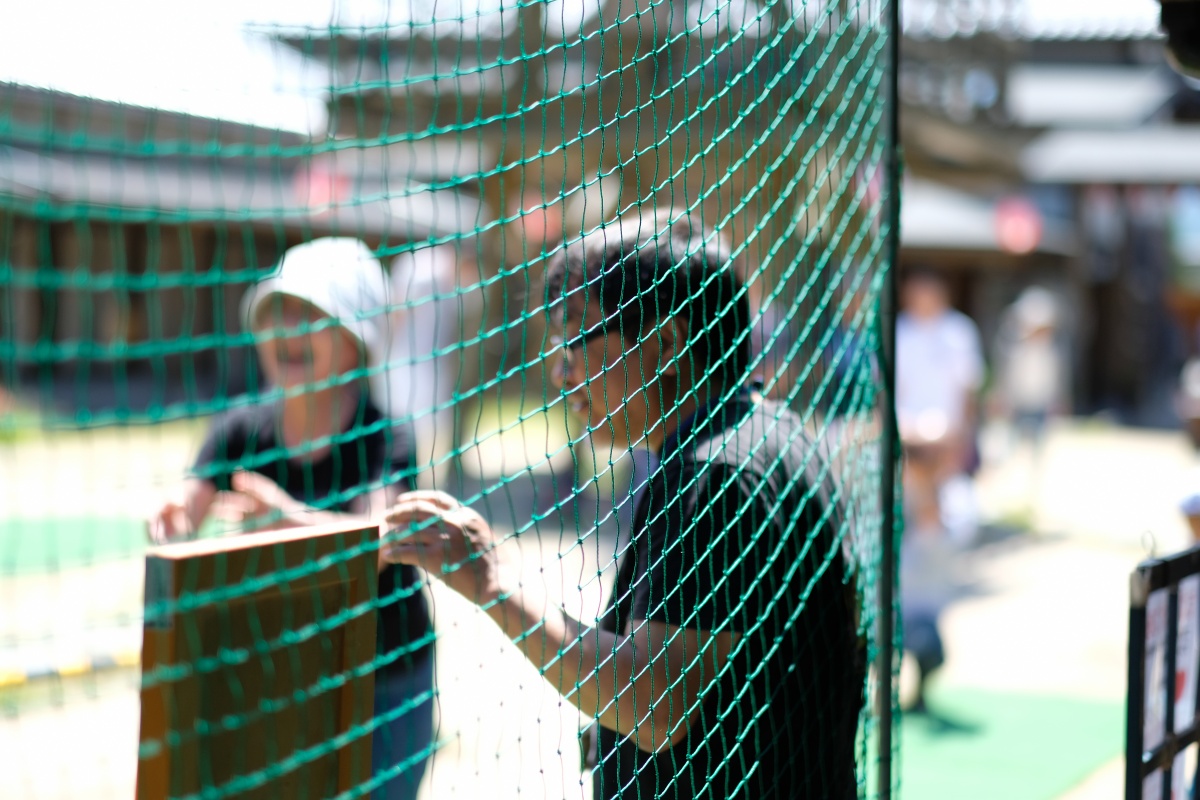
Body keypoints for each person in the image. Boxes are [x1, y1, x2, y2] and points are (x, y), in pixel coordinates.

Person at [384, 216, 864, 799]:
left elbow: (656, 705)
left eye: (576, 337)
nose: (560, 371)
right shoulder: (767, 433)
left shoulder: (713, 472)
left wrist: (490, 579)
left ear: (665, 343)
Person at [147, 237, 434, 800]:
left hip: (385, 678)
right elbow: (185, 512)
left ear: (358, 342)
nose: (288, 330)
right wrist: (173, 521)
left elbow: (383, 542)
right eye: (278, 312)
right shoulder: (238, 430)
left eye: (311, 315)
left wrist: (289, 520)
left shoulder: (385, 437)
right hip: (278, 672)